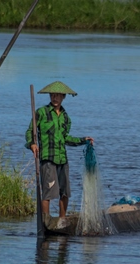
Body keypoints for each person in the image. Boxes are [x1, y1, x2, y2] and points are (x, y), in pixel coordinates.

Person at [25, 81, 94, 219]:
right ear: (50, 96)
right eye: (52, 95)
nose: (55, 98)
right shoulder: (41, 113)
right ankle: (46, 220)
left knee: (65, 192)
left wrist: (83, 140)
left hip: (62, 159)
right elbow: (29, 131)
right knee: (48, 191)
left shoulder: (66, 118)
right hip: (47, 158)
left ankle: (62, 220)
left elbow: (65, 138)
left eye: (58, 96)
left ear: (63, 97)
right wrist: (32, 144)